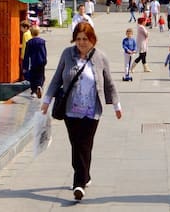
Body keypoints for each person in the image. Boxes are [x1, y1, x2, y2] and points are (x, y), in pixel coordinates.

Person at [40, 22, 122, 202]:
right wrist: (46, 101)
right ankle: (86, 175)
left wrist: (116, 105)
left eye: (85, 39)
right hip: (70, 109)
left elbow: (109, 83)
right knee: (76, 145)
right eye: (78, 39)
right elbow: (56, 79)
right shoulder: (67, 54)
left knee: (84, 144)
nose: (82, 43)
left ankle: (79, 184)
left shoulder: (101, 57)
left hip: (92, 111)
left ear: (92, 39)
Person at [23, 25, 48, 97]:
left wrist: (25, 66)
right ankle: (39, 86)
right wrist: (45, 60)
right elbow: (44, 52)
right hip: (41, 62)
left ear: (31, 33)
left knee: (33, 77)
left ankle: (34, 91)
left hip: (33, 62)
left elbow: (26, 55)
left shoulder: (29, 43)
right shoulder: (42, 42)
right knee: (41, 75)